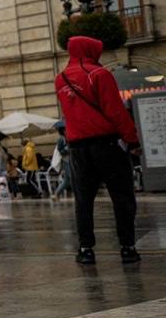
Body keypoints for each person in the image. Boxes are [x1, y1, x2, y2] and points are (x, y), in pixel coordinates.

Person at [55, 35, 141, 264]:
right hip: (107, 144)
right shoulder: (99, 74)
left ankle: (86, 250)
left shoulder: (60, 79)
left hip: (78, 148)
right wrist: (132, 141)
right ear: (90, 51)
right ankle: (127, 247)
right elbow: (116, 111)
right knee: (121, 196)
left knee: (83, 200)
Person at [51, 134, 72, 200]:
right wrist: (67, 149)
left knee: (66, 181)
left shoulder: (69, 137)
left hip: (69, 160)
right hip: (66, 161)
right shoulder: (62, 139)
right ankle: (80, 195)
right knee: (73, 178)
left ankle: (56, 195)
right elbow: (60, 151)